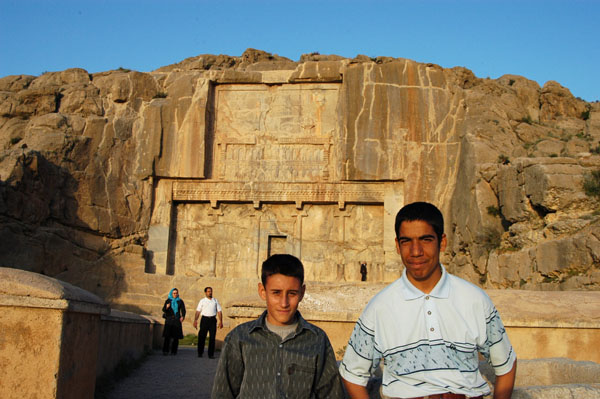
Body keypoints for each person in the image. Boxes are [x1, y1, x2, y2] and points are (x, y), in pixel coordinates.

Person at [340, 202, 517, 399]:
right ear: (397, 246)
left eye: (425, 240)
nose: (416, 251)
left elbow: (506, 364)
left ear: (442, 242)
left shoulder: (475, 299)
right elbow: (353, 374)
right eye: (407, 241)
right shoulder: (379, 307)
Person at [211, 254, 344, 398]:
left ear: (302, 293)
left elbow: (331, 393)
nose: (284, 303)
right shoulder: (239, 338)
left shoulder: (317, 340)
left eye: (292, 293)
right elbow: (222, 393)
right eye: (276, 293)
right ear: (262, 291)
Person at [193, 286, 223, 359]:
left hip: (212, 320)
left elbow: (219, 311)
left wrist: (221, 321)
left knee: (212, 338)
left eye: (211, 291)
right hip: (204, 319)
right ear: (205, 292)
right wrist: (195, 320)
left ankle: (211, 354)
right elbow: (198, 311)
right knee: (202, 336)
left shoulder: (215, 301)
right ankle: (200, 352)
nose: (210, 292)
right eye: (208, 291)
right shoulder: (202, 301)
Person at [162, 288, 186, 356]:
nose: (175, 294)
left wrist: (183, 316)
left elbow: (183, 310)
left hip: (176, 319)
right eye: (174, 293)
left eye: (176, 293)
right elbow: (164, 310)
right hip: (169, 320)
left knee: (176, 337)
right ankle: (165, 350)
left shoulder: (180, 301)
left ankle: (174, 351)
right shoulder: (168, 300)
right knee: (167, 336)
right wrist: (167, 307)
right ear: (171, 293)